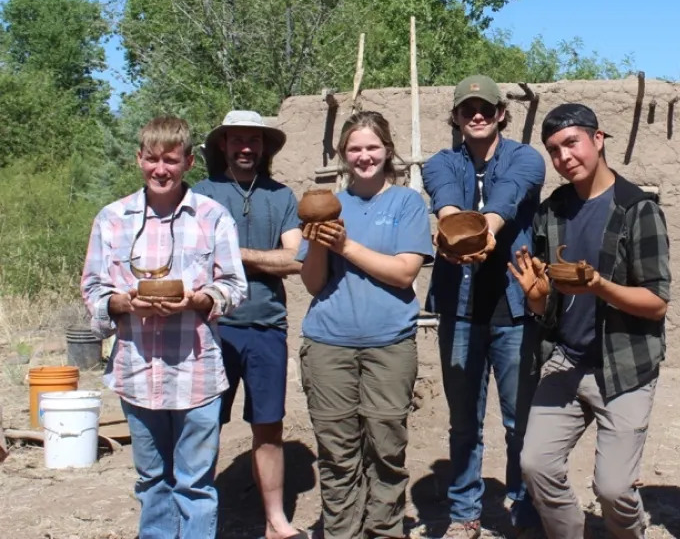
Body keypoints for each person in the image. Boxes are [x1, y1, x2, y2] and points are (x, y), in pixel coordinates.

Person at [80, 116, 248, 539]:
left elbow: (234, 286)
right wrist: (122, 303)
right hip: (137, 372)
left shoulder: (213, 217)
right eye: (152, 159)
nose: (161, 169)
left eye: (171, 160)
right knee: (152, 481)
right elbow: (93, 289)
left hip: (197, 373)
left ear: (188, 162)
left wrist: (201, 300)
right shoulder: (113, 218)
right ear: (139, 159)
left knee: (195, 485)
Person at [510, 103, 671, 539]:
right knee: (535, 465)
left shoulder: (638, 210)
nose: (564, 157)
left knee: (614, 488)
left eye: (571, 143)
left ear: (598, 140)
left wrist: (600, 286)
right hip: (567, 360)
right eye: (554, 150)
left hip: (624, 365)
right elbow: (547, 303)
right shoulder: (553, 211)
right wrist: (537, 296)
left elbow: (656, 302)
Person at [297, 110, 434, 539]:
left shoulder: (407, 203)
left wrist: (345, 244)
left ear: (387, 150)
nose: (364, 156)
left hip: (389, 345)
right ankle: (342, 533)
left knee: (386, 450)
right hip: (328, 343)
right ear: (343, 155)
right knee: (337, 455)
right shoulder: (329, 206)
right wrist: (319, 244)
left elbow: (403, 273)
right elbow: (314, 283)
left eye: (372, 147)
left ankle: (386, 531)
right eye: (355, 148)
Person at [423, 75, 546, 539]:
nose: (476, 114)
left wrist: (486, 231)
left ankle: (522, 503)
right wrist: (455, 228)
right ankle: (464, 512)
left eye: (485, 108)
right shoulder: (440, 162)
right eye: (467, 108)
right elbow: (446, 203)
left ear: (500, 114)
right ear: (455, 116)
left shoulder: (526, 158)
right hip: (460, 310)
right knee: (463, 422)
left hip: (513, 310)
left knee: (519, 420)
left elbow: (508, 197)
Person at [194, 110, 306, 539]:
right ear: (223, 144)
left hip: (266, 326)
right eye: (237, 140)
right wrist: (264, 259)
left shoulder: (281, 197)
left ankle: (276, 520)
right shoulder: (200, 196)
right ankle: (201, 516)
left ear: (264, 147)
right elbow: (194, 259)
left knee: (269, 426)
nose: (245, 148)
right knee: (203, 424)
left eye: (253, 141)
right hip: (208, 328)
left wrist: (235, 256)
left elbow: (295, 259)